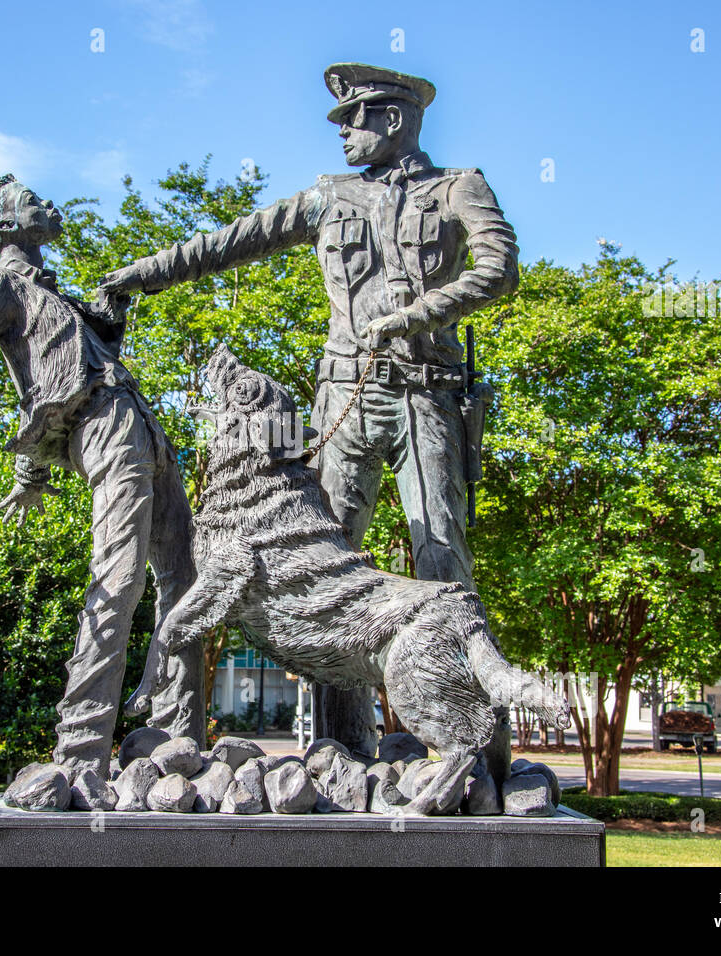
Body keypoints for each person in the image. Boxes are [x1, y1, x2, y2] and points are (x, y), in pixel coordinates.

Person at [97, 63, 519, 755]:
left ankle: (478, 756)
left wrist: (416, 315)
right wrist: (140, 275)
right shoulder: (330, 196)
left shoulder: (458, 187)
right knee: (328, 566)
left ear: (393, 118)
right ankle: (342, 748)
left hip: (426, 394)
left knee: (442, 554)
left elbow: (498, 268)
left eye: (355, 119)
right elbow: (233, 240)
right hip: (342, 398)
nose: (344, 133)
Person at [0, 174, 204, 780]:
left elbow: (64, 366)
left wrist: (111, 311)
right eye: (32, 202)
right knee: (121, 574)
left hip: (141, 424)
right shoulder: (1, 285)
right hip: (102, 423)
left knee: (186, 574)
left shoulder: (55, 294)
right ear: (6, 226)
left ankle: (177, 739)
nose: (48, 204)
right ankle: (80, 752)